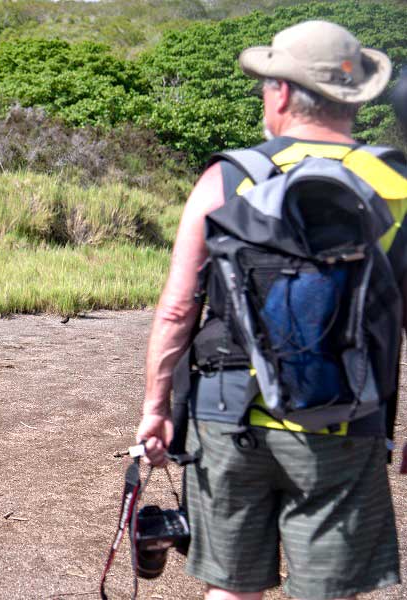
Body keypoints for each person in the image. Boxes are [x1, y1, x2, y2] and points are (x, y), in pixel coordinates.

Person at [136, 20, 407, 600]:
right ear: (353, 97)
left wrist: (156, 409)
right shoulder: (396, 183)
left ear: (281, 93)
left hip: (228, 417)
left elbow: (177, 308)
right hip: (345, 418)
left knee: (231, 591)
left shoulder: (228, 177)